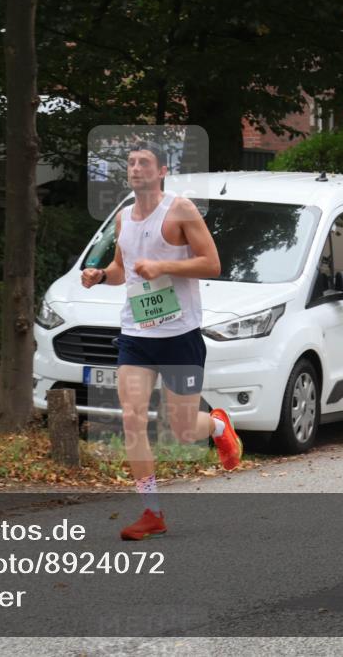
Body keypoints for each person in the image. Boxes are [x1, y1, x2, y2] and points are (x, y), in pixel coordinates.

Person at [81, 142, 242, 540]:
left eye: (144, 163)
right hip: (136, 335)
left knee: (183, 428)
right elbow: (123, 270)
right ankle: (151, 511)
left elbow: (213, 263)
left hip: (179, 335)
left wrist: (163, 265)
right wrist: (100, 275)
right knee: (133, 420)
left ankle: (218, 426)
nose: (135, 168)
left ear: (162, 170)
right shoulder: (123, 219)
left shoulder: (181, 210)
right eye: (131, 162)